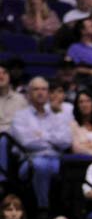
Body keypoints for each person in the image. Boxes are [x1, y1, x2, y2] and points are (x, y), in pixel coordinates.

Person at [9, 76, 72, 211]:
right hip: (30, 160)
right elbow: (26, 142)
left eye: (44, 89)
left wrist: (41, 135)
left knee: (71, 169)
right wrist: (53, 140)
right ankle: (43, 208)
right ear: (29, 94)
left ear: (48, 93)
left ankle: (67, 210)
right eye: (36, 89)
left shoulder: (57, 116)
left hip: (55, 159)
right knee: (41, 165)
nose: (40, 92)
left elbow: (66, 141)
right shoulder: (20, 116)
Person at [70, 89, 92, 157]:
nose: (85, 104)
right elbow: (76, 148)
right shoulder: (72, 126)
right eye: (81, 102)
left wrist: (86, 146)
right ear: (77, 106)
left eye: (88, 101)